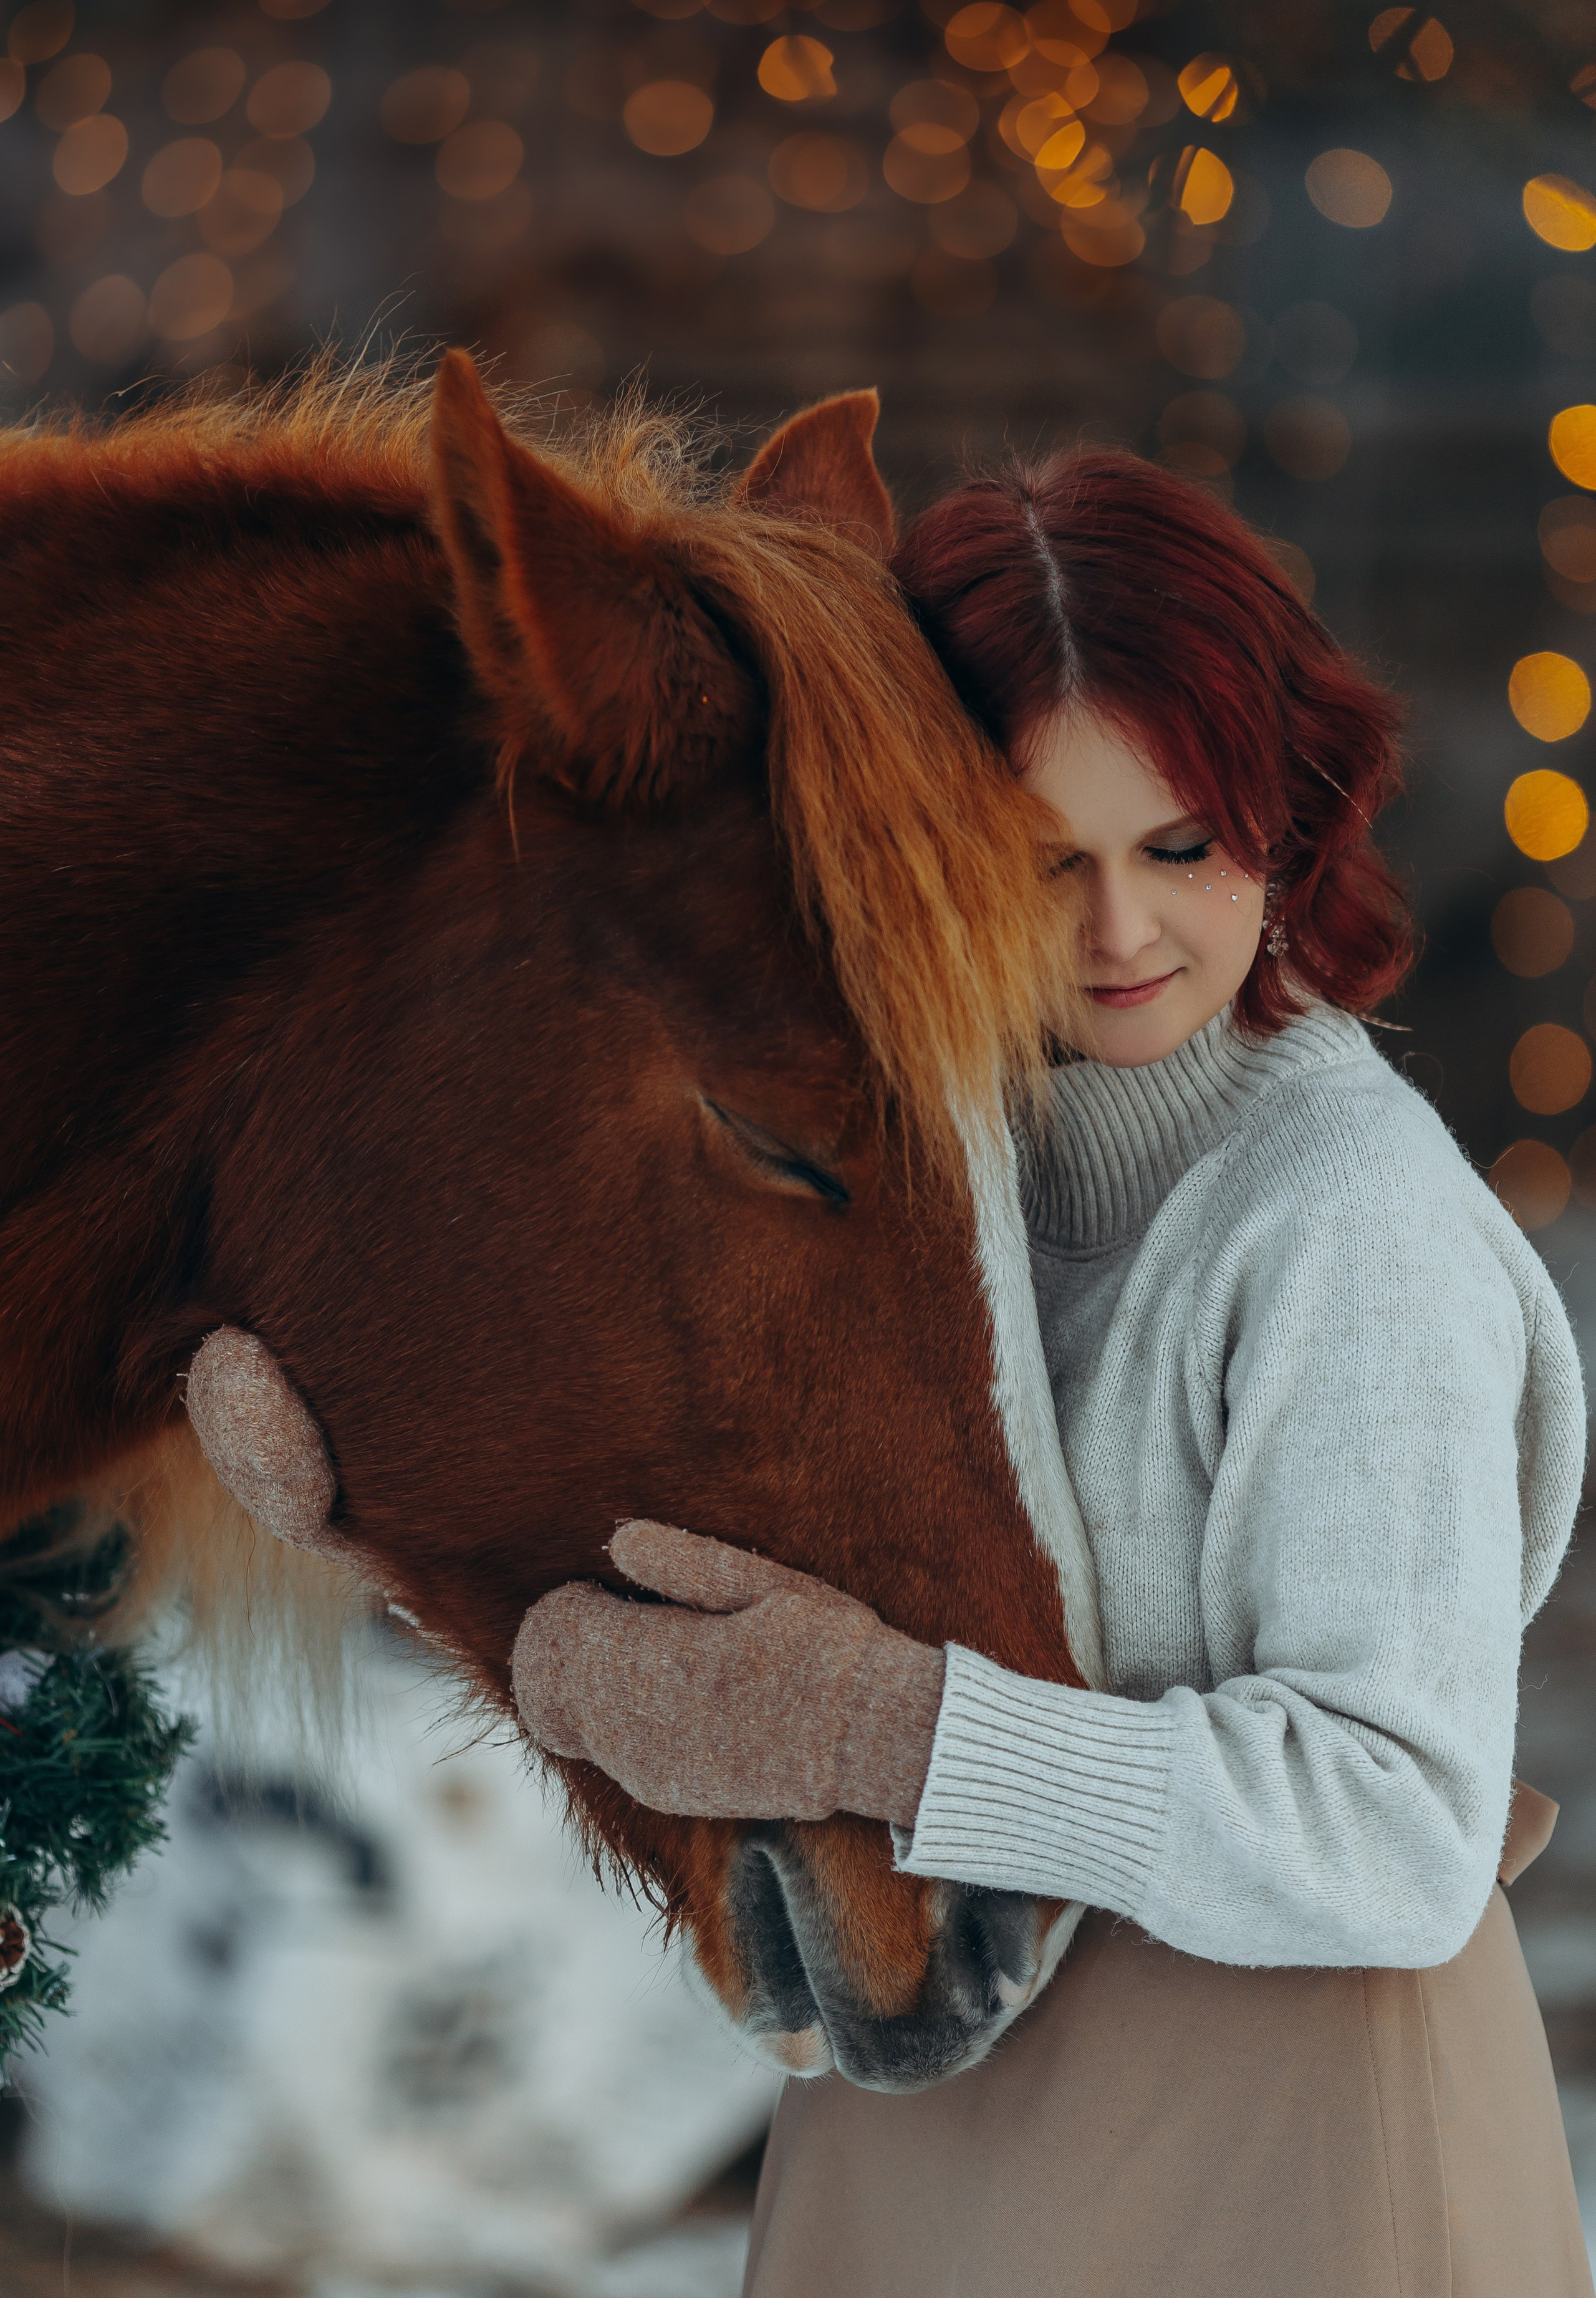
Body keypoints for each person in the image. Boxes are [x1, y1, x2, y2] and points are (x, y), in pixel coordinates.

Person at [512, 448, 1593, 2296]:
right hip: (938, 2120)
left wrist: (889, 1729)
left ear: (1289, 809)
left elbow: (1400, 1824)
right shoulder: (928, 1176)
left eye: (1179, 844)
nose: (1117, 934)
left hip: (1288, 2136)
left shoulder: (1346, 1220)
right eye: (1039, 860)